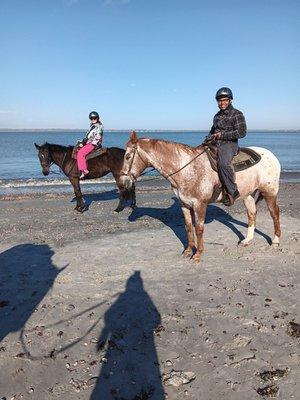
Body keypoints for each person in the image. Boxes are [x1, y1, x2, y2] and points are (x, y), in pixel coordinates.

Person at [209, 87, 247, 206]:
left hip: (230, 144)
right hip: (216, 142)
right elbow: (212, 130)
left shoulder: (237, 114)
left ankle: (232, 191)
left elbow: (242, 132)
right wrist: (208, 138)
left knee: (223, 163)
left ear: (230, 100)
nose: (222, 103)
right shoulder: (217, 116)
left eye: (225, 100)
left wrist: (222, 135)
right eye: (220, 101)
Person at [77, 111, 103, 179]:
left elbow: (97, 138)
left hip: (93, 144)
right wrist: (82, 142)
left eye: (94, 118)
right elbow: (88, 137)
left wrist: (86, 143)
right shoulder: (92, 126)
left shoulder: (99, 127)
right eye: (91, 118)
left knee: (80, 153)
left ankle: (84, 170)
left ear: (97, 118)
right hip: (89, 142)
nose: (93, 120)